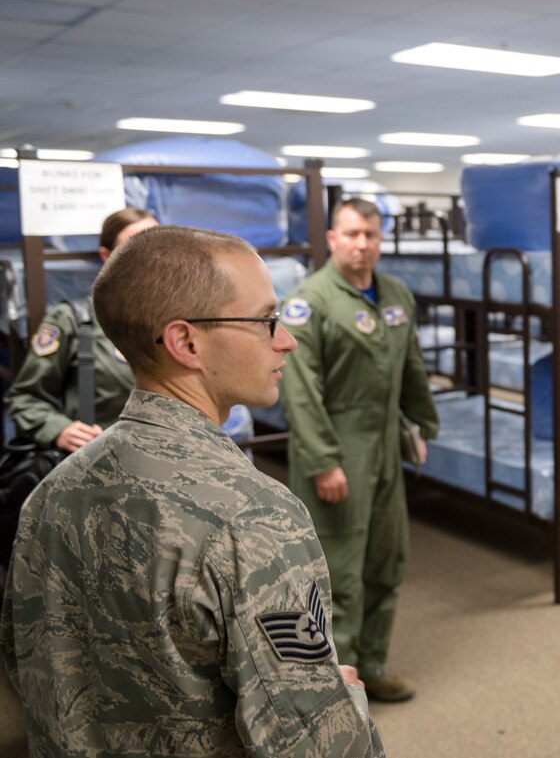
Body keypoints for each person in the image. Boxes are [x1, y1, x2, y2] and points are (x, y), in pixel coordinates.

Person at [0, 226, 385, 756]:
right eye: (265, 321)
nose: (286, 339)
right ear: (186, 342)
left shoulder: (50, 495)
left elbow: (28, 666)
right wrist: (345, 701)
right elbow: (317, 745)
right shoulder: (254, 517)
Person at [281, 198, 439, 703]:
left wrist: (422, 425)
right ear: (332, 239)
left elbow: (410, 364)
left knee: (387, 562)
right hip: (336, 449)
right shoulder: (310, 301)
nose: (362, 244)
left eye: (371, 234)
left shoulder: (394, 294)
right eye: (351, 234)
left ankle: (372, 665)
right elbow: (299, 391)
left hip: (385, 450)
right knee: (337, 574)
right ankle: (332, 690)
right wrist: (324, 459)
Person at [4, 207, 157, 452]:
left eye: (159, 243)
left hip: (169, 469)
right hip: (98, 470)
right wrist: (57, 429)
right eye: (135, 245)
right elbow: (25, 398)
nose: (151, 255)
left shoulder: (182, 321)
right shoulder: (75, 321)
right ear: (108, 255)